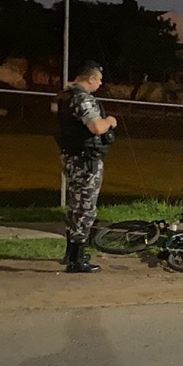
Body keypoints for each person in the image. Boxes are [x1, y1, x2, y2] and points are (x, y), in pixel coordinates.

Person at [54, 61, 117, 273]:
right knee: (86, 209)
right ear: (90, 79)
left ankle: (71, 253)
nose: (100, 84)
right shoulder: (82, 98)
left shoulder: (65, 96)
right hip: (85, 161)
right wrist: (109, 121)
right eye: (98, 80)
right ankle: (77, 260)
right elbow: (96, 126)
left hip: (72, 157)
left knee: (75, 207)